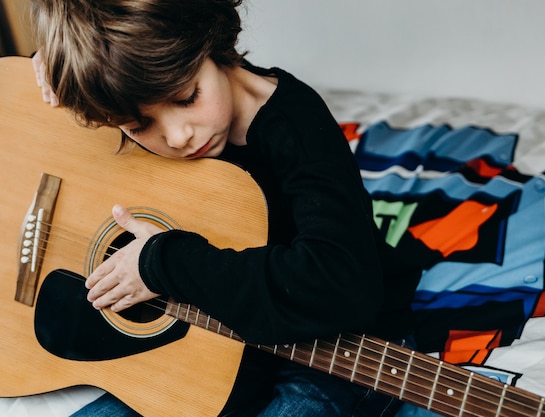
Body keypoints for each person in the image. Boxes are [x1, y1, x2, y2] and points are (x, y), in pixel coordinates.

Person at [30, 0, 424, 416]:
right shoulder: (135, 95)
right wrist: (57, 65)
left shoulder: (298, 125)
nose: (178, 135)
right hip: (218, 342)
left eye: (186, 97)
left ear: (209, 39)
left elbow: (338, 285)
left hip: (342, 349)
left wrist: (161, 264)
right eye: (138, 126)